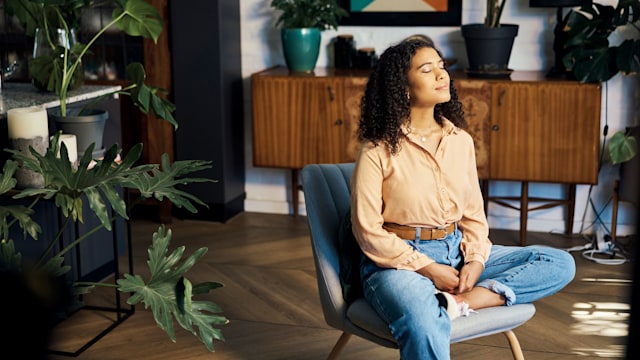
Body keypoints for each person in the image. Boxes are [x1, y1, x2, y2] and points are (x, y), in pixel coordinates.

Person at [350, 38, 576, 359]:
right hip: (398, 264)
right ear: (403, 87)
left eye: (442, 67)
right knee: (423, 320)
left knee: (558, 263)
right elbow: (367, 231)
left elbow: (473, 216)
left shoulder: (461, 141)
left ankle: (458, 304)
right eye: (428, 70)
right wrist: (428, 268)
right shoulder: (378, 150)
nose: (442, 75)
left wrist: (475, 260)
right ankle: (444, 303)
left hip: (456, 251)